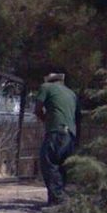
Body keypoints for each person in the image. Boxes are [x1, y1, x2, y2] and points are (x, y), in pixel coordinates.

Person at [35, 72, 79, 206]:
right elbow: (78, 117)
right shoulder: (71, 93)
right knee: (62, 166)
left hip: (56, 132)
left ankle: (57, 200)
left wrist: (45, 120)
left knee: (49, 163)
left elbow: (37, 109)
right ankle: (60, 198)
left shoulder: (46, 87)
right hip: (70, 134)